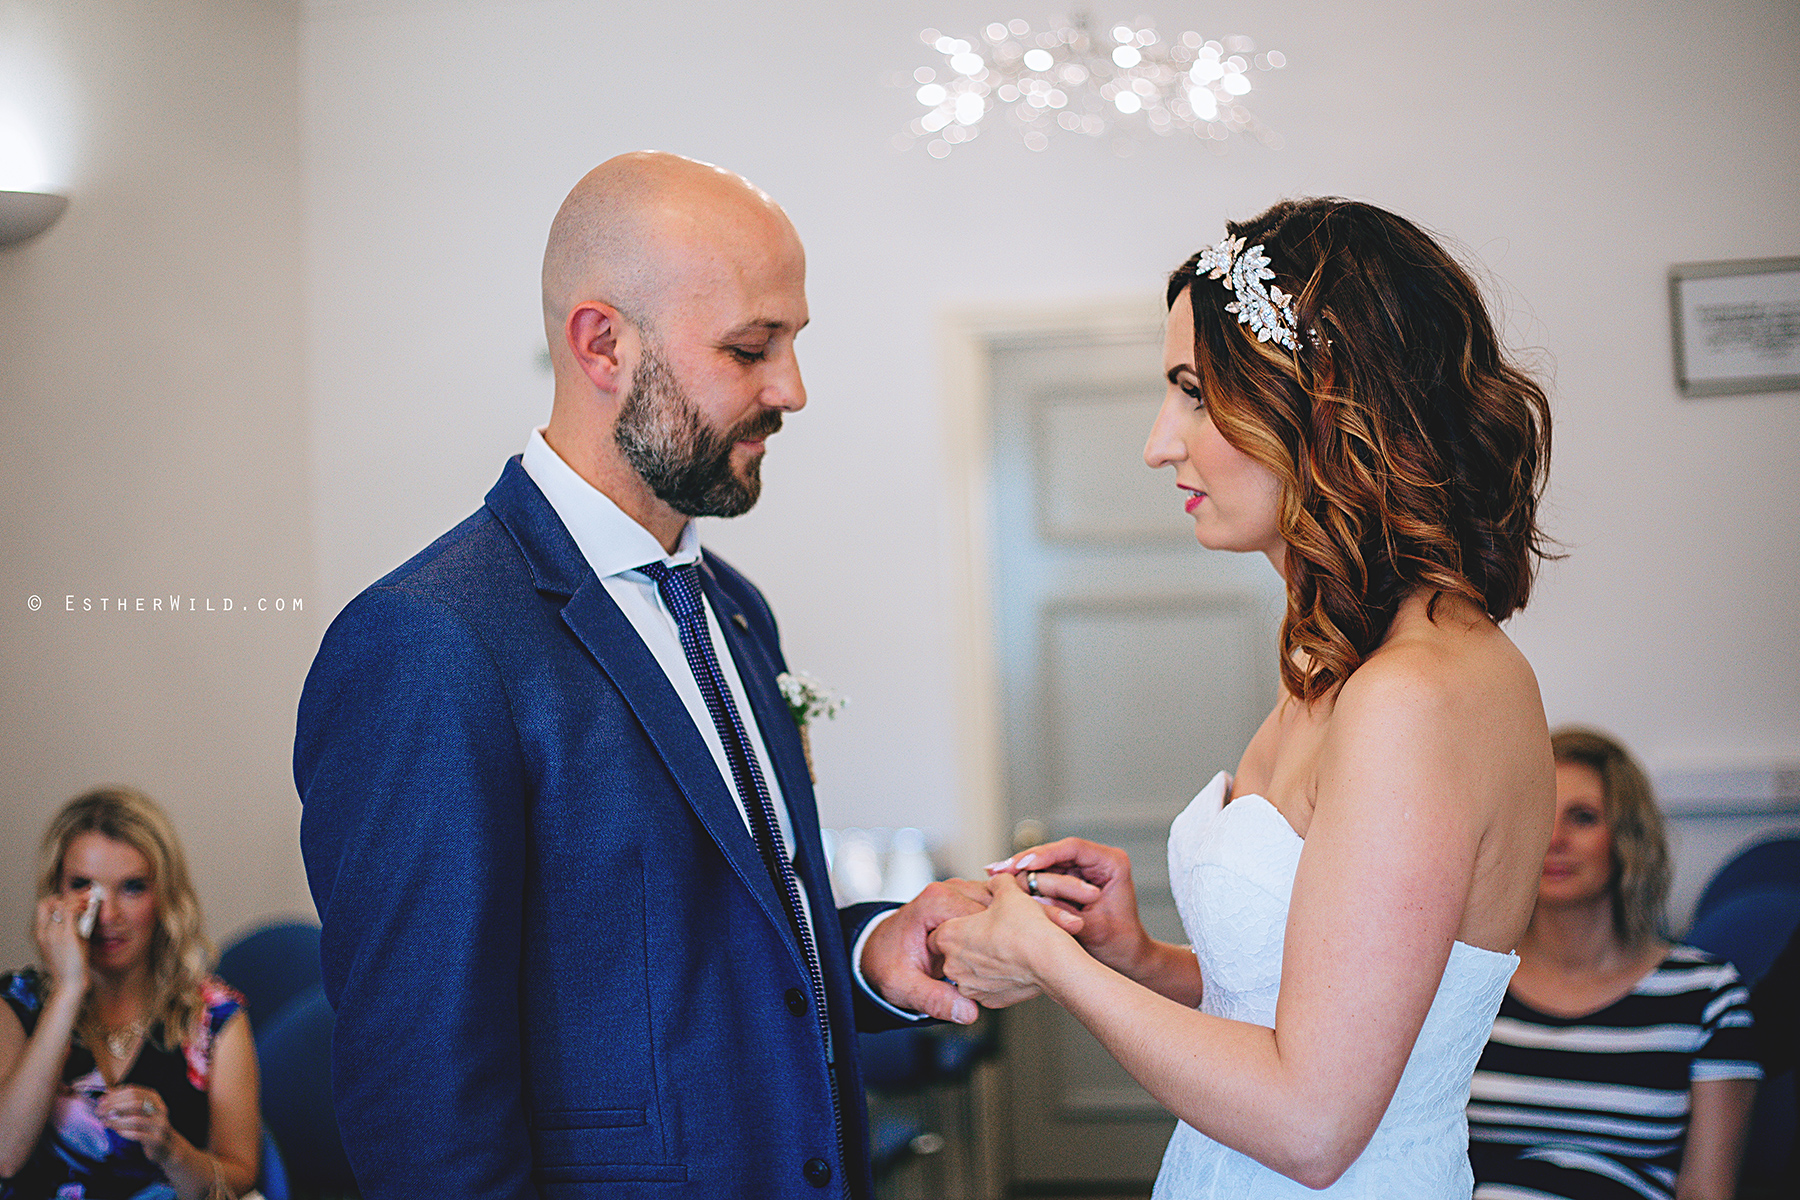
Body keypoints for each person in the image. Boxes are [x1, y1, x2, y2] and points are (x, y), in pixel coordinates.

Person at [294, 152, 985, 1200]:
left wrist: (869, 950)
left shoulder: (736, 609)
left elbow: (713, 949)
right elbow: (421, 1104)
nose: (792, 390)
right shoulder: (429, 644)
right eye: (751, 348)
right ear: (602, 343)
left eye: (793, 344)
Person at [931, 198, 1558, 1196]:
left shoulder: (1415, 697)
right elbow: (1309, 1003)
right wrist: (1136, 956)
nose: (1158, 444)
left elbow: (1312, 1125)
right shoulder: (1345, 662)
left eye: (1194, 392)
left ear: (1327, 402)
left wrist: (1052, 967)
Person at [1467, 727, 1760, 1200]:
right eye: (1540, 814)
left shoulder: (1706, 993)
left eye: (1582, 818)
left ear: (1627, 838)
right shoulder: (1470, 980)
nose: (1554, 838)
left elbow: (1707, 1189)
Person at [0, 787, 260, 1199]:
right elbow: (4, 1156)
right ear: (55, 896)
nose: (108, 915)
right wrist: (68, 990)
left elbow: (240, 1176)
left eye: (133, 887)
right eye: (83, 886)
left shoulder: (215, 1017)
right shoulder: (17, 1004)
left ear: (164, 897)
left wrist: (170, 1149)